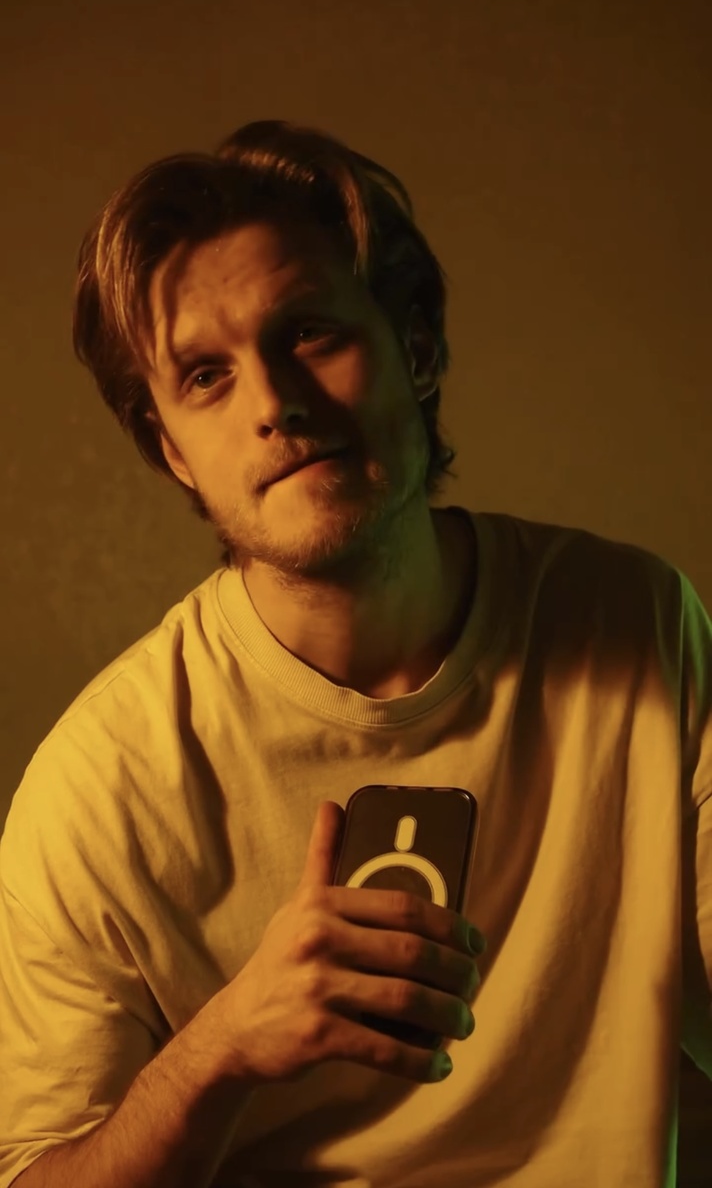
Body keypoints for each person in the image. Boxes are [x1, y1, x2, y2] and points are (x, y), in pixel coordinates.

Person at [0, 119, 710, 1188]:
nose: (274, 404)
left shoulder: (633, 620)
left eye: (309, 333)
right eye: (206, 376)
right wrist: (223, 1047)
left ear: (414, 350)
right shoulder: (101, 786)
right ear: (171, 452)